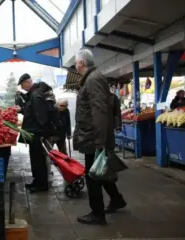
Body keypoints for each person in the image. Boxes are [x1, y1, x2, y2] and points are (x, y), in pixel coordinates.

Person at [73, 48, 126, 225]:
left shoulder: (93, 80)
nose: (75, 64)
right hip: (93, 135)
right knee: (100, 170)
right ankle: (116, 199)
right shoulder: (92, 78)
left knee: (92, 175)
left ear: (81, 63)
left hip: (93, 137)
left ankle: (97, 213)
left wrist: (100, 141)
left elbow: (100, 111)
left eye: (76, 61)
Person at [19, 73, 52, 193]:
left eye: (22, 85)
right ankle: (36, 181)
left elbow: (40, 115)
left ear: (28, 82)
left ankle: (41, 184)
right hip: (33, 133)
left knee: (38, 160)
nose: (22, 88)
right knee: (34, 158)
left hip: (36, 133)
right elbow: (31, 111)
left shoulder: (36, 94)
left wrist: (42, 133)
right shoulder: (33, 94)